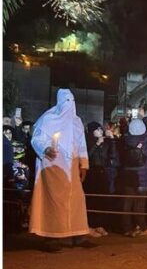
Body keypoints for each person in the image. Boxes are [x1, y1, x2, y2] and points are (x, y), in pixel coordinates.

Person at [28, 89, 97, 251]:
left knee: (77, 200)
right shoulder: (47, 119)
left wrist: (84, 164)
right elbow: (37, 139)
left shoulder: (76, 121)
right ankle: (50, 238)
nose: (70, 105)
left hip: (72, 170)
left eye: (72, 101)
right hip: (53, 168)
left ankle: (78, 235)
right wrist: (45, 149)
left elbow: (81, 145)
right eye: (66, 101)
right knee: (53, 203)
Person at [120, 111, 147, 237]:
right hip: (142, 176)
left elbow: (124, 130)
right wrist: (144, 116)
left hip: (127, 175)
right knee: (140, 203)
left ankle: (126, 228)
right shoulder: (145, 139)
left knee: (127, 203)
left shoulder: (125, 138)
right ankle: (142, 226)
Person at [84, 122, 110, 236]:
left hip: (102, 172)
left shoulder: (104, 143)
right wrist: (96, 145)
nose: (100, 131)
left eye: (100, 129)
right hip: (92, 174)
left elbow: (108, 156)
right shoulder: (87, 141)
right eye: (97, 129)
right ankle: (90, 225)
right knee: (92, 201)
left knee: (102, 200)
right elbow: (86, 156)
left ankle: (100, 225)